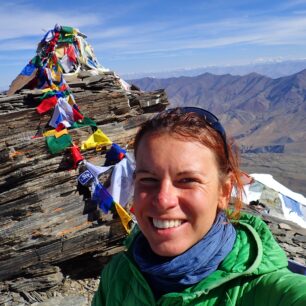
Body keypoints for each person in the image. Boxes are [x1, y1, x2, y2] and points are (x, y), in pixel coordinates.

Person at [92, 107, 306, 306]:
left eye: (187, 181)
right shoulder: (118, 274)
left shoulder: (271, 293)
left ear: (223, 192)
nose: (164, 200)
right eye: (148, 180)